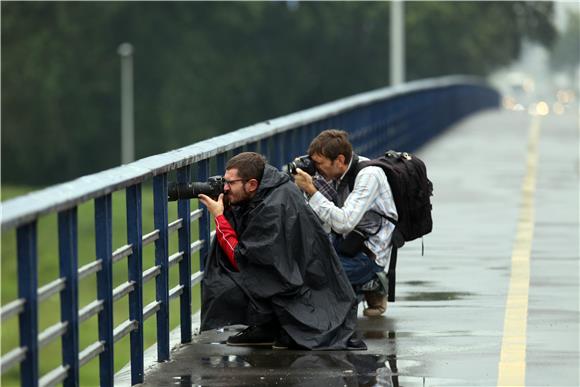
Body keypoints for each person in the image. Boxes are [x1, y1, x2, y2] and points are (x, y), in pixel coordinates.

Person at [198, 152, 364, 350]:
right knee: (226, 265)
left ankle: (269, 326)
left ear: (251, 184)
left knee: (223, 280)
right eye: (224, 182)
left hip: (301, 290)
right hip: (308, 278)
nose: (224, 189)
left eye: (230, 183)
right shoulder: (276, 190)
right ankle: (269, 325)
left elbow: (240, 260)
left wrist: (219, 217)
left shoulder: (272, 208)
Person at [293, 129, 398, 317]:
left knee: (312, 278)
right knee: (295, 264)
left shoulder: (369, 176)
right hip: (344, 244)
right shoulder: (332, 174)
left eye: (319, 163)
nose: (316, 169)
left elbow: (344, 222)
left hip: (369, 252)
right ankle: (354, 289)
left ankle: (374, 281)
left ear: (340, 160)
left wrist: (310, 189)